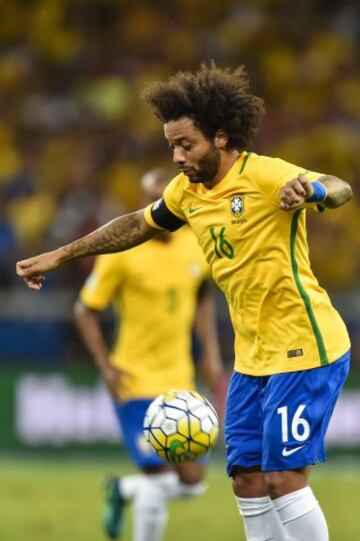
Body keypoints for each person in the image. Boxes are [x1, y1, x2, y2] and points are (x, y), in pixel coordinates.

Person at [17, 63, 353, 541]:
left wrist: (313, 190)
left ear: (220, 138)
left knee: (284, 479)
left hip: (306, 344)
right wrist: (62, 254)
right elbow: (135, 224)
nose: (176, 156)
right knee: (248, 481)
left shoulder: (263, 174)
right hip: (253, 358)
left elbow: (341, 187)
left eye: (185, 145)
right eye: (171, 145)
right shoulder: (187, 192)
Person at [73, 167, 224, 541]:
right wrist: (105, 366)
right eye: (155, 199)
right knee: (156, 476)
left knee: (192, 482)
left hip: (180, 381)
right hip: (135, 378)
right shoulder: (122, 251)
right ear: (144, 204)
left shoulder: (194, 244)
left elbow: (202, 296)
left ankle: (122, 491)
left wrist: (210, 353)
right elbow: (84, 309)